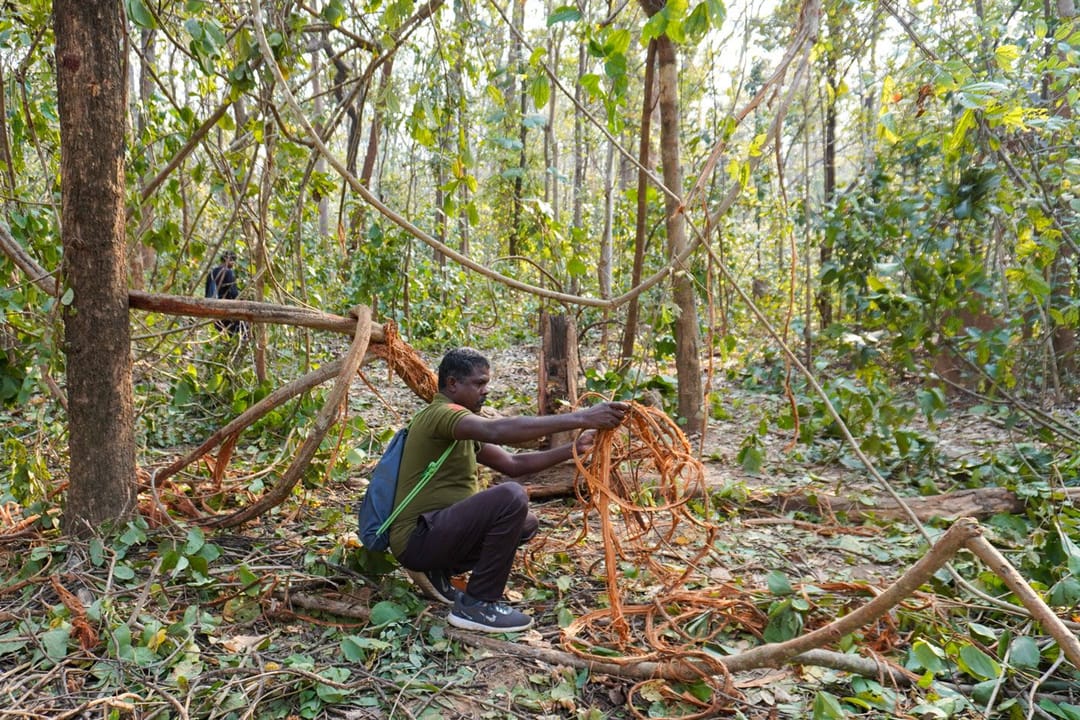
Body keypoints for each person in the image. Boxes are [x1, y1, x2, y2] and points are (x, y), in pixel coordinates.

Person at [388, 347, 629, 633]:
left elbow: (513, 464)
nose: (486, 391)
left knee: (525, 522)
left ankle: (437, 570)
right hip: (416, 539)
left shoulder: (461, 428)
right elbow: (498, 430)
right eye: (479, 383)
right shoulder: (441, 414)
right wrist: (583, 417)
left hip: (433, 537)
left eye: (486, 383)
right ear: (452, 384)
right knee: (511, 496)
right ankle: (477, 605)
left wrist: (574, 448)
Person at [206, 251, 242, 334]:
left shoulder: (211, 274)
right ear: (226, 259)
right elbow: (234, 294)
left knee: (222, 336)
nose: (233, 263)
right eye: (232, 260)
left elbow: (207, 294)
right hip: (227, 310)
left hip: (214, 312)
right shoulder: (228, 272)